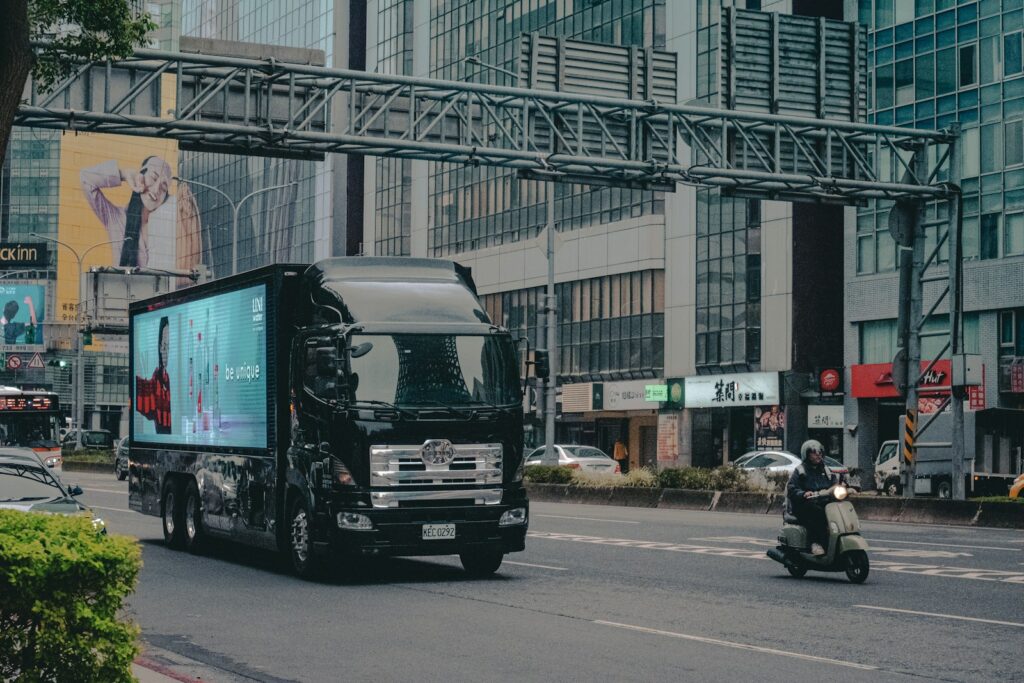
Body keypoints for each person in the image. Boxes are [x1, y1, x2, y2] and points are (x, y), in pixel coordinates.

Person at [81, 156, 175, 268]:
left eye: (164, 186)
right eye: (153, 178)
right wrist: (124, 174)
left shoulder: (167, 226)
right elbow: (86, 179)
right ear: (141, 176)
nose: (156, 190)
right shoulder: (116, 219)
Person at [786, 439, 844, 556]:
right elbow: (792, 489)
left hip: (823, 502)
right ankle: (815, 543)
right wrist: (803, 494)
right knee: (817, 512)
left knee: (839, 509)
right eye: (814, 452)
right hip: (804, 505)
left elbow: (834, 484)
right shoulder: (800, 471)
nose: (818, 454)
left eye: (820, 452)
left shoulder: (826, 470)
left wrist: (842, 487)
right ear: (806, 455)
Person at [136, 316, 172, 434]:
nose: (166, 351)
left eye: (168, 346)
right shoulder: (155, 380)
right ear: (159, 347)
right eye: (164, 346)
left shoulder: (167, 378)